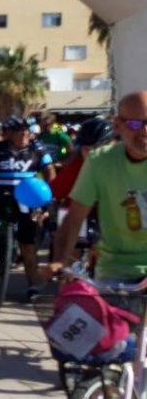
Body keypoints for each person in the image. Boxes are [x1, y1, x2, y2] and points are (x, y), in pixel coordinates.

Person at [48, 92, 147, 285]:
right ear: (117, 125)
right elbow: (74, 218)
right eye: (135, 124)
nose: (144, 130)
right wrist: (60, 261)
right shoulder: (99, 161)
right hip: (116, 271)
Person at [0, 115, 55, 302]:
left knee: (28, 245)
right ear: (8, 133)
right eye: (19, 131)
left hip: (27, 200)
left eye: (27, 131)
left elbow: (49, 170)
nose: (25, 135)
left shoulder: (37, 149)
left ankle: (33, 285)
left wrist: (47, 195)